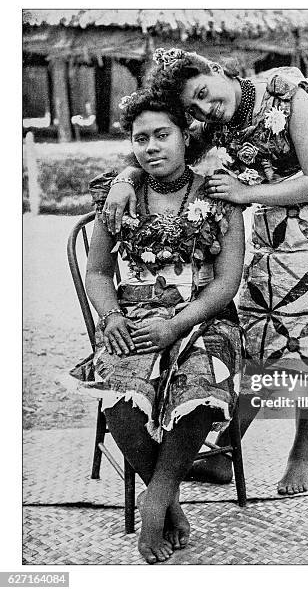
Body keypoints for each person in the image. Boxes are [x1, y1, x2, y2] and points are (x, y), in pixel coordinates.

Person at [99, 48, 308, 496]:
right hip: (271, 235)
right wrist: (124, 177)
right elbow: (161, 146)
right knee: (259, 342)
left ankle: (300, 453)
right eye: (193, 107)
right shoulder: (213, 122)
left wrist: (244, 189)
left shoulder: (285, 93)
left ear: (216, 70)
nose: (203, 109)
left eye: (203, 93)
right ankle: (226, 450)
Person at [71, 87, 244, 563]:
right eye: (140, 137)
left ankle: (154, 504)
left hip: (203, 315)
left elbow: (227, 282)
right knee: (119, 391)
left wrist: (177, 326)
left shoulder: (219, 195)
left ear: (187, 135)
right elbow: (100, 272)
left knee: (204, 380)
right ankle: (169, 502)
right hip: (135, 317)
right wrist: (111, 316)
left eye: (162, 134)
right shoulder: (118, 196)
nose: (151, 147)